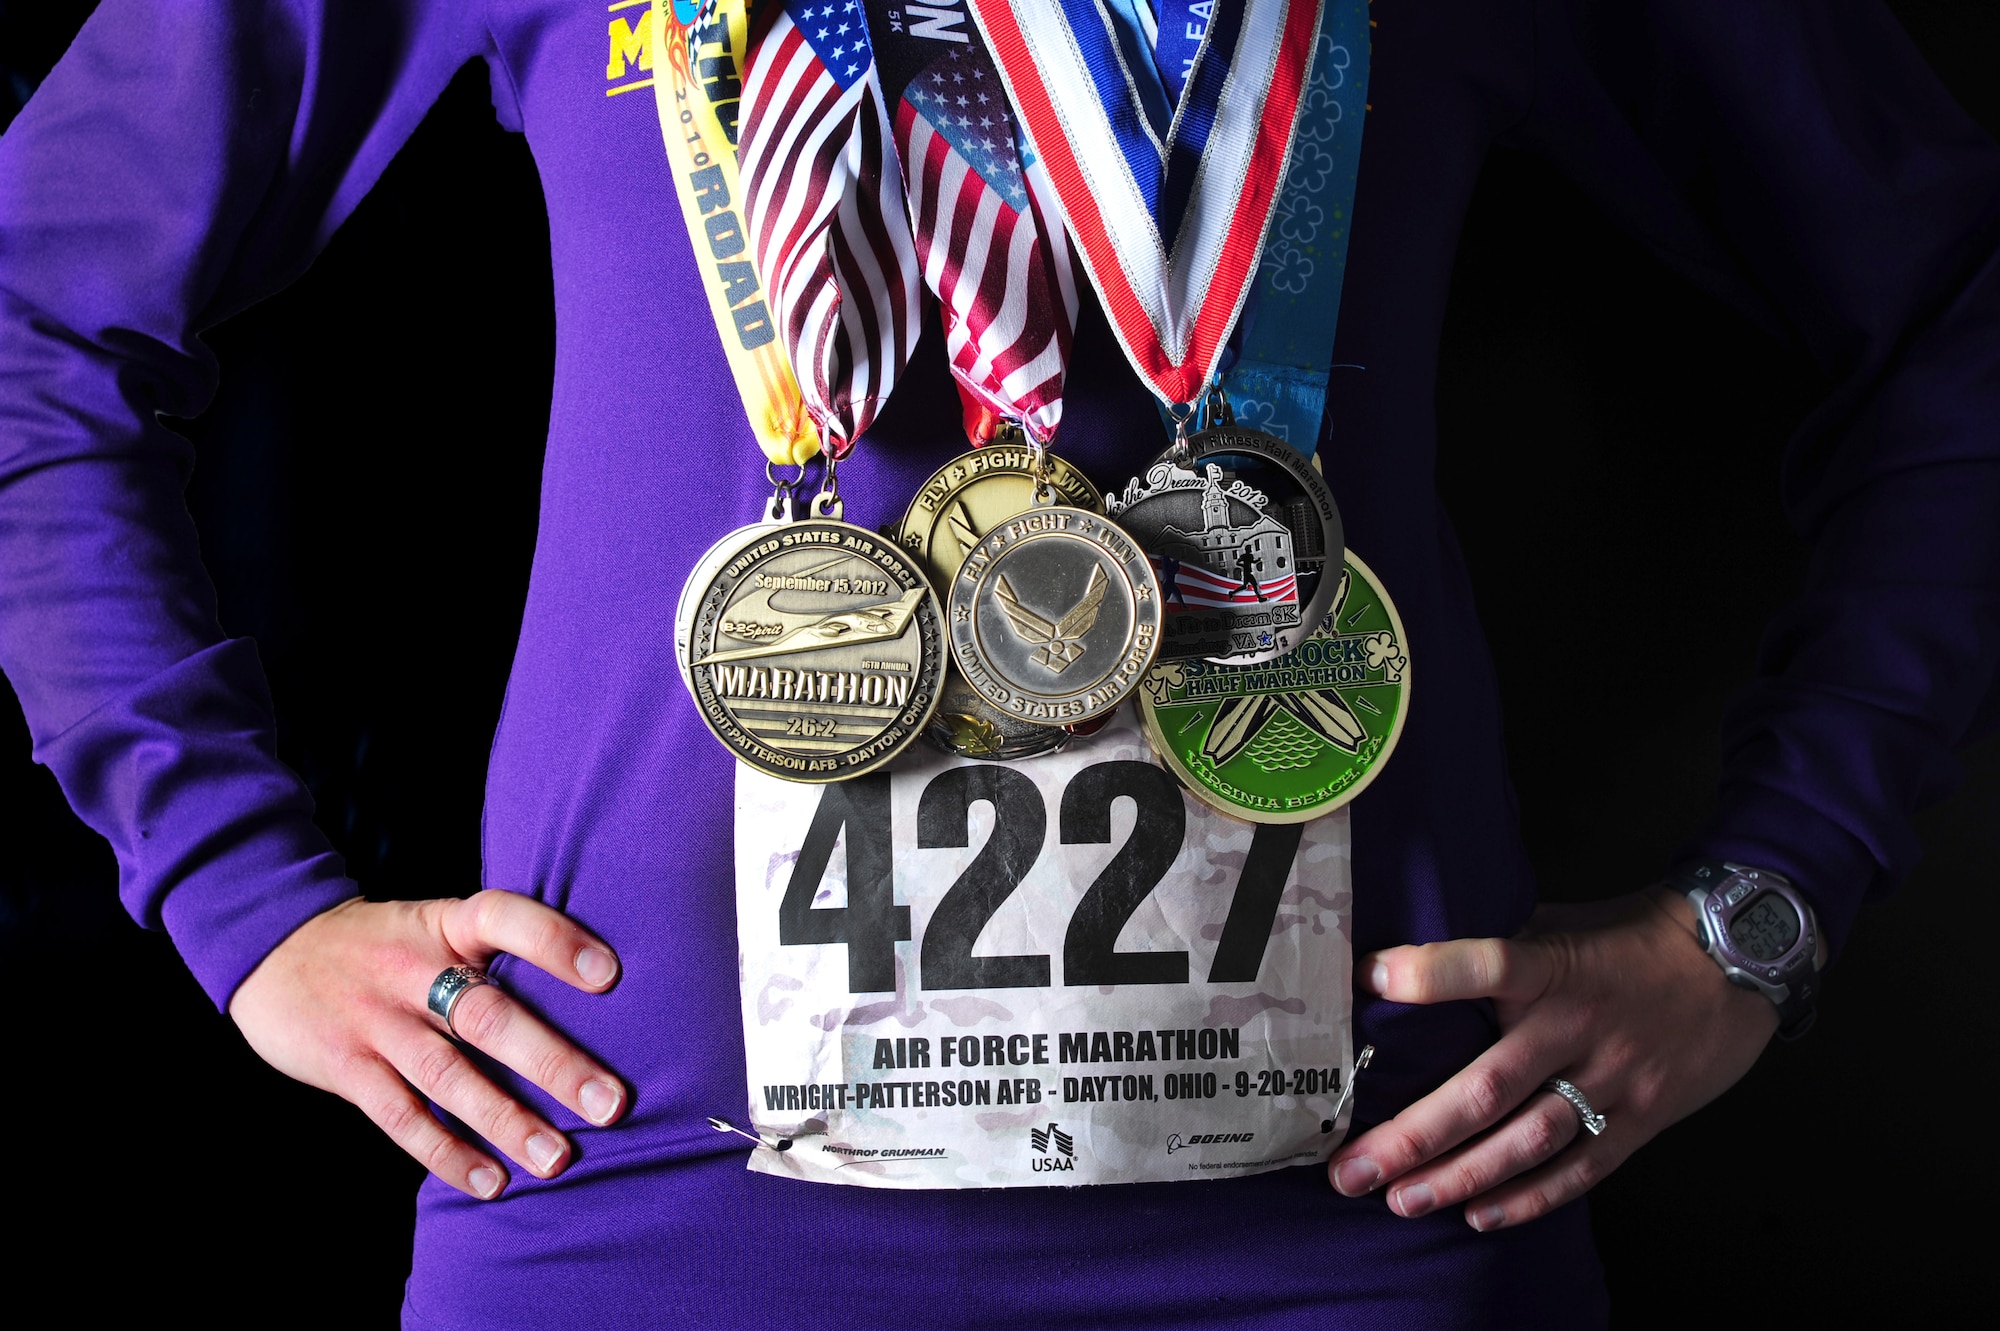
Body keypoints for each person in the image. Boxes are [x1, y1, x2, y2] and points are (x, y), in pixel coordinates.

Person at [1, 2, 1995, 1327]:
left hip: (1355, 1229)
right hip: (647, 1198)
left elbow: (1958, 307)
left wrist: (1761, 913)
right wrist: (243, 898)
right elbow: (33, 307)